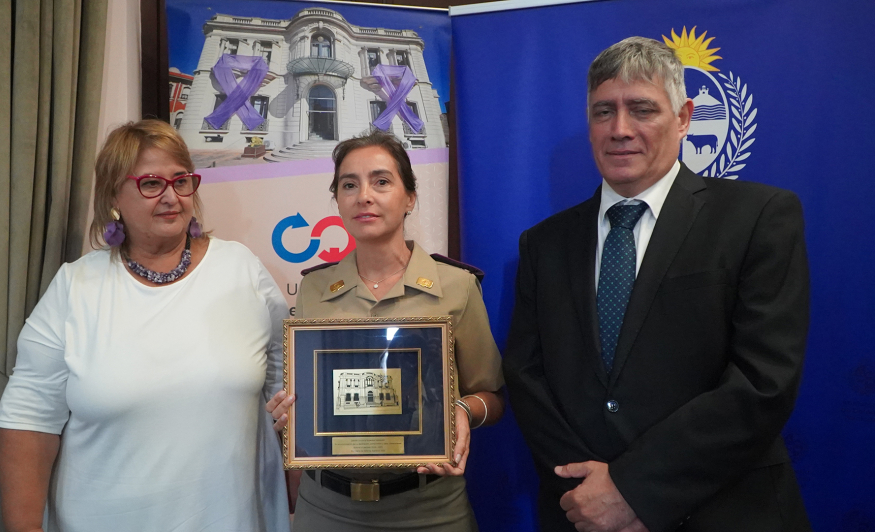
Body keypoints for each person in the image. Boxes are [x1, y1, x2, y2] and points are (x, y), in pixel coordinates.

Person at [503, 37, 811, 532]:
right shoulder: (544, 243)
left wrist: (634, 490)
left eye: (641, 109)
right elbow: (526, 374)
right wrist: (590, 494)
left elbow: (763, 381)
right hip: (581, 513)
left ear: (685, 117)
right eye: (604, 112)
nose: (620, 129)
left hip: (724, 509)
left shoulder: (759, 217)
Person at [0, 120, 290, 532]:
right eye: (151, 183)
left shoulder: (242, 269)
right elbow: (28, 422)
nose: (171, 196)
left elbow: (288, 390)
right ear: (115, 194)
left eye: (181, 181)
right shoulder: (76, 287)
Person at [265, 131, 505, 531]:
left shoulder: (456, 285)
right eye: (349, 184)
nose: (364, 196)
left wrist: (464, 410)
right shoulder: (314, 287)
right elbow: (310, 402)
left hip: (428, 510)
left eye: (381, 181)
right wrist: (292, 413)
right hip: (326, 509)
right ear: (337, 200)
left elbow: (492, 396)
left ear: (409, 197)